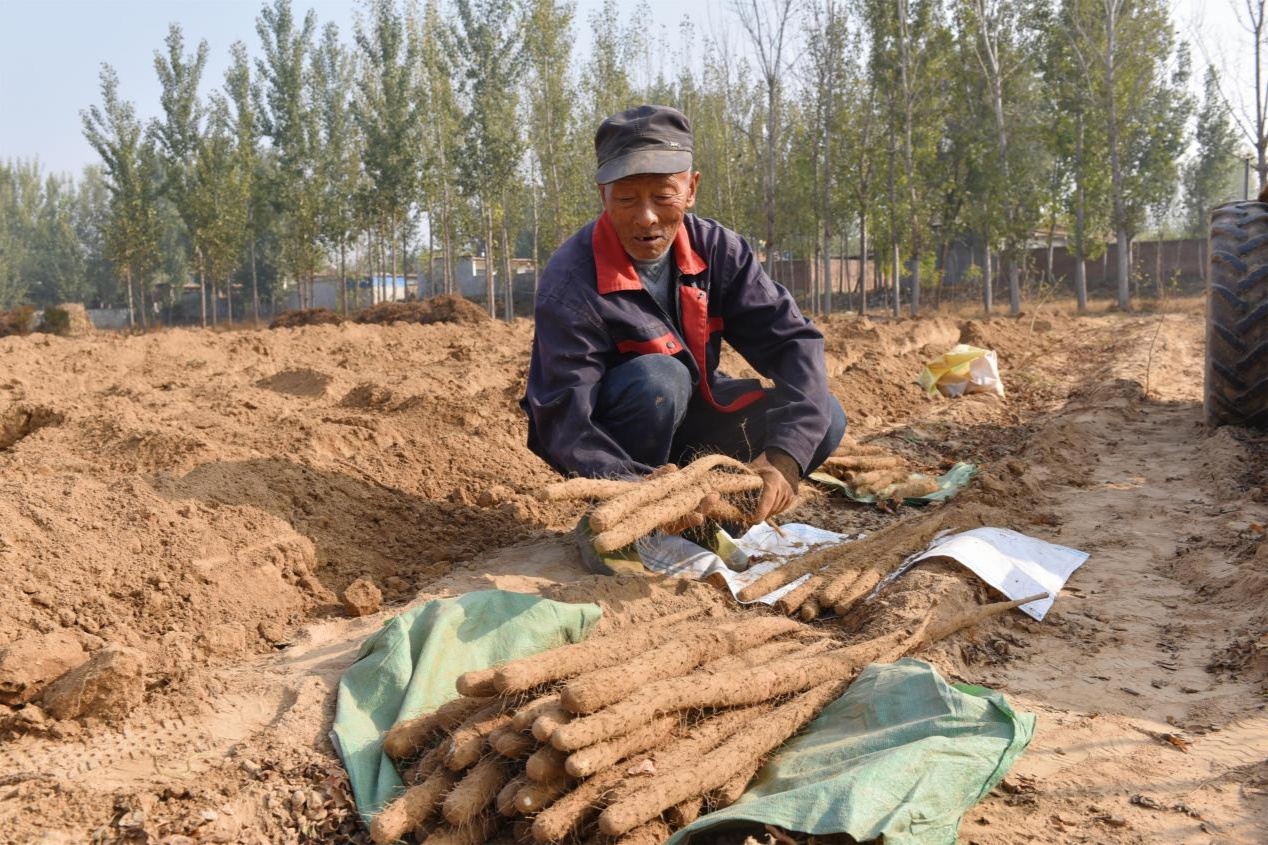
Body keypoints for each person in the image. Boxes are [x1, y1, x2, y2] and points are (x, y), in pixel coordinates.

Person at [521, 104, 846, 555]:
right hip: (620, 451)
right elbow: (563, 418)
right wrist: (637, 489)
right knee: (659, 378)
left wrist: (785, 457)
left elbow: (793, 343)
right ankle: (634, 527)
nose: (647, 217)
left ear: (691, 189)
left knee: (822, 416)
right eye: (627, 199)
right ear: (604, 197)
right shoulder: (571, 281)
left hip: (695, 428)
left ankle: (710, 518)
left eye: (663, 195)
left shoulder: (720, 252)